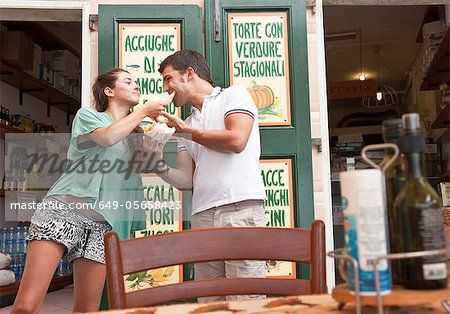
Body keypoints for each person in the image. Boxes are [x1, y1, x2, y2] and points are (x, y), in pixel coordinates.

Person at [12, 68, 170, 313]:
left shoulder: (135, 133)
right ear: (109, 91)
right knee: (26, 306)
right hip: (63, 213)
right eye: (128, 81)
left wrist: (157, 139)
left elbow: (148, 165)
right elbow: (107, 138)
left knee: (88, 310)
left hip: (102, 225)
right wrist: (143, 111)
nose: (136, 85)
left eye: (136, 82)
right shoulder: (88, 116)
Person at [145, 49, 266, 302]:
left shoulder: (233, 95)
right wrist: (155, 162)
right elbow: (185, 179)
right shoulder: (185, 123)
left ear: (189, 74)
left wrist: (187, 132)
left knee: (246, 298)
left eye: (168, 79)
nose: (166, 88)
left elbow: (236, 140)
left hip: (239, 207)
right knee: (208, 300)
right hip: (202, 214)